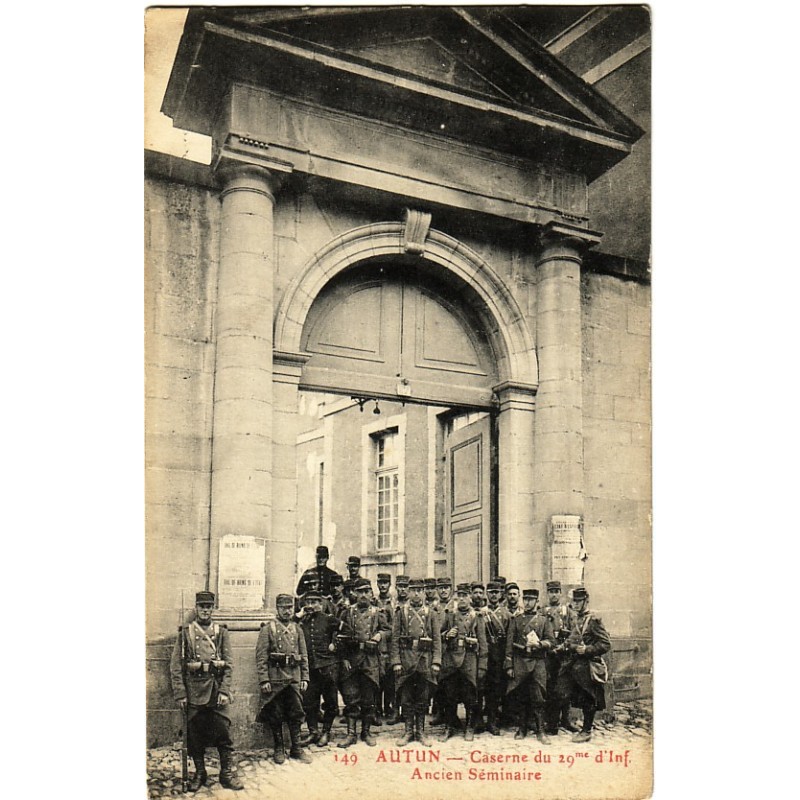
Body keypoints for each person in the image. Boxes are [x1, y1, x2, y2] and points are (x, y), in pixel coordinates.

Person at [170, 591, 244, 791]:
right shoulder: (186, 633)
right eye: (202, 606)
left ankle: (226, 773)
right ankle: (200, 773)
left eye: (208, 607)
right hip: (194, 692)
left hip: (215, 692)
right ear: (196, 608)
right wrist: (180, 694)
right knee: (194, 736)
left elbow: (228, 665)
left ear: (213, 609)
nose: (205, 610)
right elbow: (176, 666)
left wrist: (224, 691)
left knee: (224, 733)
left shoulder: (221, 632)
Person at [256, 594, 312, 764]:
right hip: (276, 678)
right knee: (276, 714)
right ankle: (279, 748)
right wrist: (264, 680)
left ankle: (296, 748)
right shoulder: (268, 629)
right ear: (277, 609)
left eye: (290, 608)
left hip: (293, 678)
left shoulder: (297, 629)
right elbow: (261, 657)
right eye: (283, 608)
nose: (287, 611)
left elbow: (304, 655)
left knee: (296, 714)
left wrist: (305, 677)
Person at [337, 578, 390, 747]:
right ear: (354, 593)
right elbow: (338, 636)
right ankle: (351, 734)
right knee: (351, 698)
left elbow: (388, 629)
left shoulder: (377, 612)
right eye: (360, 592)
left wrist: (379, 636)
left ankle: (366, 732)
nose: (364, 595)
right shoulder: (347, 612)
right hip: (351, 660)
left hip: (370, 660)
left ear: (371, 594)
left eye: (367, 592)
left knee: (369, 699)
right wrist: (344, 657)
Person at [554, 586, 611, 743]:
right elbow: (572, 638)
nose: (576, 604)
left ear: (586, 601)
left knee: (588, 697)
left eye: (579, 601)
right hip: (573, 664)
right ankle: (562, 722)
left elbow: (605, 644)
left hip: (587, 666)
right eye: (574, 601)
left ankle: (587, 730)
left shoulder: (593, 620)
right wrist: (562, 647)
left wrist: (587, 649)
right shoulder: (575, 619)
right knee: (561, 691)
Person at [391, 577, 442, 746]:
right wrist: (396, 661)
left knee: (422, 697)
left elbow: (437, 640)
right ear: (408, 592)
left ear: (424, 592)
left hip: (424, 660)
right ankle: (407, 731)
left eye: (419, 590)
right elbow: (395, 639)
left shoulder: (431, 613)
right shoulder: (401, 612)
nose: (416, 594)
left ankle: (420, 731)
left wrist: (436, 661)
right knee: (406, 697)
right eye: (413, 590)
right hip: (405, 660)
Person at [298, 590, 350, 747]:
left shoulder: (328, 619)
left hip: (328, 667)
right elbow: (290, 626)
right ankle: (313, 732)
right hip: (311, 669)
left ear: (321, 604)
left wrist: (336, 645)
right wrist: (299, 614)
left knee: (331, 702)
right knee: (309, 702)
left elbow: (347, 631)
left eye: (315, 602)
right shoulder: (302, 621)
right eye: (308, 602)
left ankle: (326, 732)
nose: (311, 605)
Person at [505, 587, 555, 743]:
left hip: (538, 662)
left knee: (538, 697)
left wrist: (540, 644)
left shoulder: (543, 620)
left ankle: (540, 731)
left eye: (531, 600)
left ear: (536, 601)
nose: (527, 602)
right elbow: (509, 645)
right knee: (521, 696)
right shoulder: (516, 620)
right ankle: (522, 729)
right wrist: (509, 666)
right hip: (520, 662)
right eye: (525, 599)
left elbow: (551, 642)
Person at [438, 583, 488, 741]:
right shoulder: (450, 615)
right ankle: (449, 727)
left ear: (470, 598)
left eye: (465, 595)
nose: (462, 599)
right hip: (451, 661)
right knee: (449, 695)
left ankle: (469, 727)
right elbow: (438, 637)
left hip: (469, 661)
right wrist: (447, 634)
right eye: (459, 595)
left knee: (469, 696)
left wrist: (481, 666)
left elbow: (484, 644)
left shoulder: (477, 617)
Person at [542, 580, 579, 734]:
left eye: (557, 591)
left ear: (561, 593)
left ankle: (566, 719)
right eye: (551, 591)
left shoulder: (567, 612)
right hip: (548, 655)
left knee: (565, 688)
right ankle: (552, 722)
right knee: (550, 688)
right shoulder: (542, 612)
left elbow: (575, 632)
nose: (554, 594)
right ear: (548, 593)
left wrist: (564, 646)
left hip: (565, 656)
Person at [482, 580, 510, 735]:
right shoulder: (480, 613)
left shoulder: (506, 614)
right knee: (480, 688)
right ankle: (478, 719)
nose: (493, 595)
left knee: (495, 689)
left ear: (501, 595)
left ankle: (492, 721)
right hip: (483, 655)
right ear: (487, 593)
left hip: (498, 657)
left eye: (496, 592)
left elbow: (509, 638)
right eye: (491, 592)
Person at [375, 573, 397, 724]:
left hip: (390, 646)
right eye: (380, 583)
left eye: (385, 583)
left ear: (390, 584)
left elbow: (396, 627)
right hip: (376, 647)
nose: (383, 586)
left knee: (390, 681)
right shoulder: (373, 602)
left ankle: (389, 708)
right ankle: (376, 710)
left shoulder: (394, 603)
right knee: (377, 680)